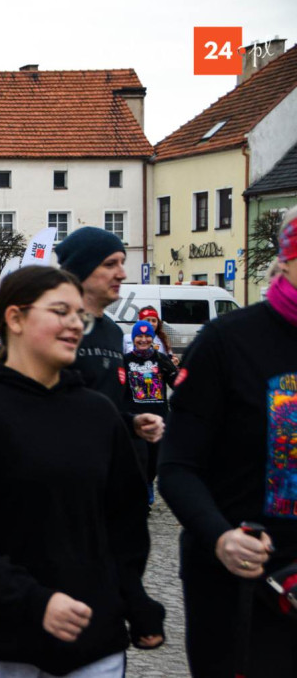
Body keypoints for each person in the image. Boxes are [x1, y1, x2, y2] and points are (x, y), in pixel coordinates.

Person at [0, 266, 165, 677]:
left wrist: (134, 600)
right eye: (60, 311)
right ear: (15, 319)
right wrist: (32, 601)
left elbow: (124, 525)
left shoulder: (98, 413)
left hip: (89, 645)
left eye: (80, 315)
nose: (75, 323)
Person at [159, 207, 297, 678]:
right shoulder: (227, 341)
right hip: (243, 581)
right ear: (289, 259)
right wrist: (219, 537)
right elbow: (177, 466)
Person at [56, 227, 164, 446]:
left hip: (107, 467)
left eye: (122, 263)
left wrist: (134, 423)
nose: (122, 274)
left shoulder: (113, 331)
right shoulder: (57, 328)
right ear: (81, 269)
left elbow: (109, 408)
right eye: (110, 264)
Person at [122, 320, 177, 506]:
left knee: (155, 459)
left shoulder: (160, 359)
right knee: (140, 457)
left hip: (159, 419)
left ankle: (147, 482)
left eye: (147, 336)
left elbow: (177, 383)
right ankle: (141, 489)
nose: (143, 340)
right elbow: (118, 388)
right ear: (133, 338)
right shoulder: (126, 361)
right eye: (139, 336)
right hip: (136, 418)